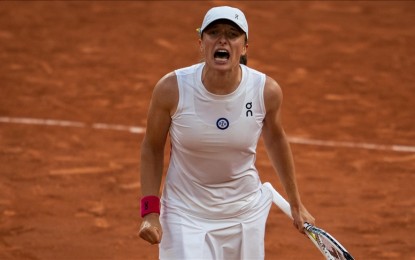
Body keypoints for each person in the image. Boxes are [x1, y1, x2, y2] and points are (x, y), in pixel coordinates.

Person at [138, 6, 315, 259]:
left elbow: (276, 140)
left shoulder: (266, 91)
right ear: (201, 43)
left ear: (244, 47)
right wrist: (150, 212)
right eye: (214, 33)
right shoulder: (172, 89)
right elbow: (152, 148)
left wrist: (296, 204)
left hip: (244, 214)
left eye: (232, 34)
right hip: (184, 213)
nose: (223, 39)